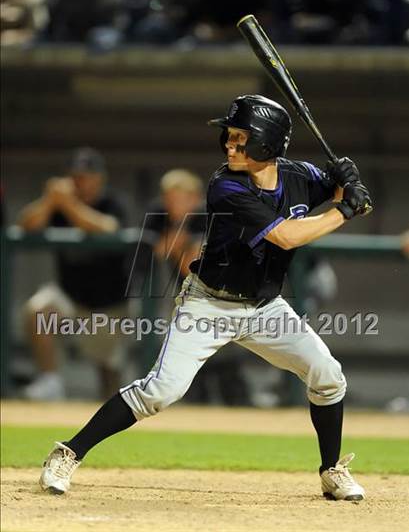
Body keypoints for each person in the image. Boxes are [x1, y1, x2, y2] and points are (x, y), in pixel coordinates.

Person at [39, 95, 372, 501]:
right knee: (159, 391)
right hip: (209, 305)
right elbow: (288, 235)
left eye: (239, 138)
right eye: (229, 138)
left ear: (266, 144)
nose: (229, 146)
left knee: (328, 376)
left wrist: (346, 180)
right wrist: (345, 208)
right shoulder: (226, 185)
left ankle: (332, 470)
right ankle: (68, 453)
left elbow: (338, 190)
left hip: (265, 308)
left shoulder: (300, 175)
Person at [19, 147, 129, 400]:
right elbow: (26, 225)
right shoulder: (57, 206)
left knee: (111, 383)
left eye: (88, 176)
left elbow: (108, 227)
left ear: (100, 178)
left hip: (108, 310)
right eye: (76, 176)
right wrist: (49, 200)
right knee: (38, 309)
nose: (82, 182)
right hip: (70, 302)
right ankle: (50, 381)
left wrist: (69, 203)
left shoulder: (112, 202)